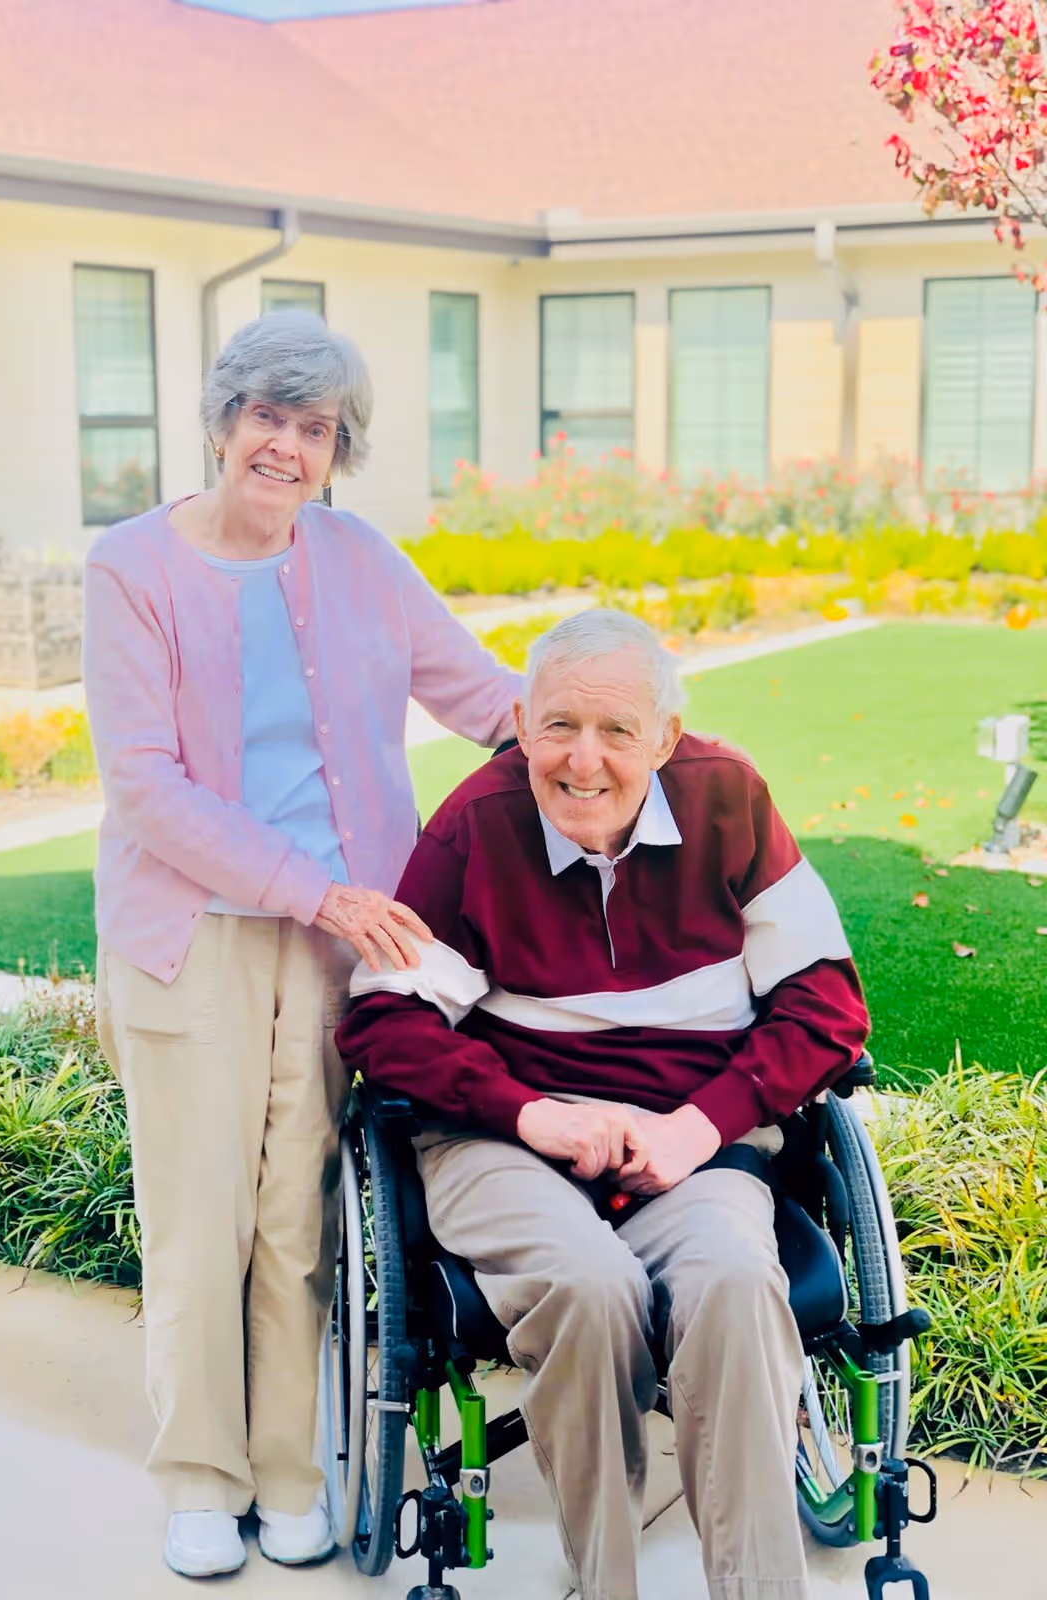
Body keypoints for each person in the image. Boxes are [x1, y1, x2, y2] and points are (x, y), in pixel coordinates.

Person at [84, 310, 520, 1580]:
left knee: (297, 1216)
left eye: (314, 429)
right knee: (199, 1215)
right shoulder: (133, 570)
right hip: (196, 937)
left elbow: (482, 696)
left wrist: (611, 736)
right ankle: (201, 1478)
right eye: (266, 417)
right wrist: (317, 894)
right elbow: (149, 790)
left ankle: (288, 1470)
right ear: (221, 423)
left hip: (338, 942)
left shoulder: (360, 558)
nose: (285, 447)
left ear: (338, 451)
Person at [337, 609, 870, 1600]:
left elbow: (827, 1001)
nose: (584, 762)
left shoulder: (728, 803)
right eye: (559, 726)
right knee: (590, 1286)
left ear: (666, 739)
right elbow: (384, 1023)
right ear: (520, 722)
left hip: (690, 1138)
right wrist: (526, 1112)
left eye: (618, 731)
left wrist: (698, 1125)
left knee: (734, 1285)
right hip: (506, 1139)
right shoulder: (475, 827)